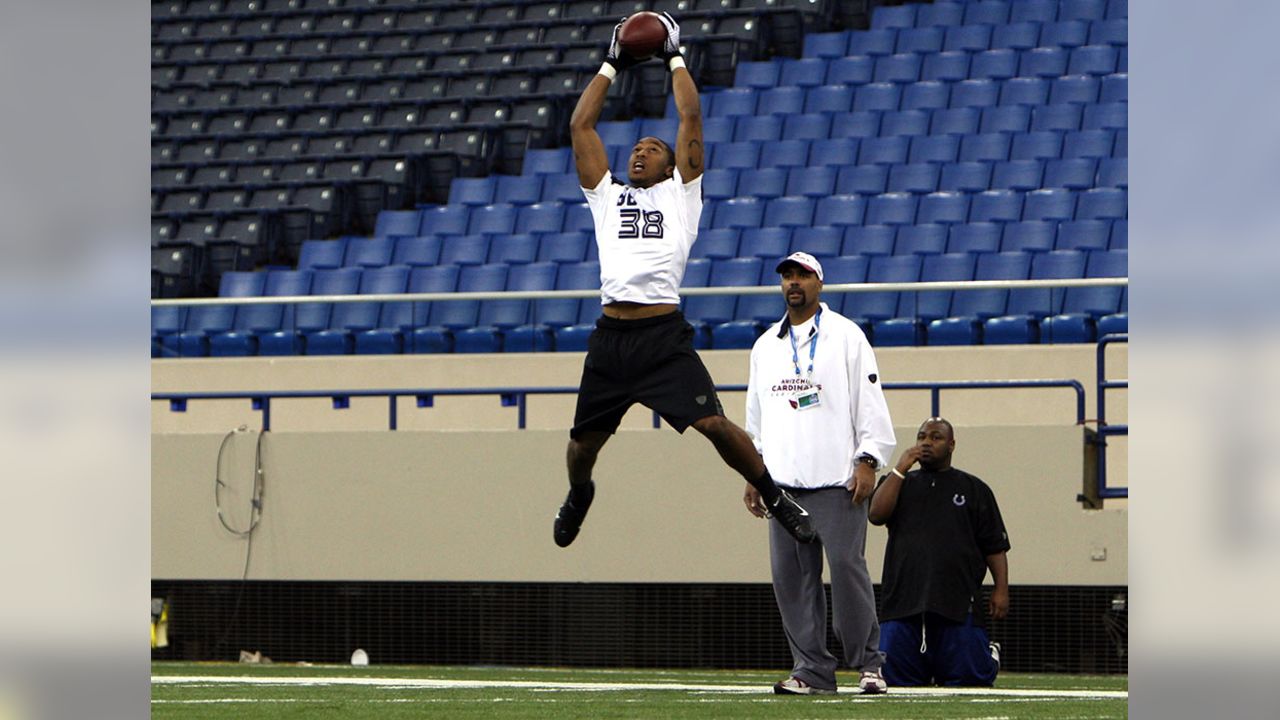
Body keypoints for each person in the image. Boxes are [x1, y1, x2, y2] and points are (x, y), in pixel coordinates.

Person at [553, 14, 816, 549]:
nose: (639, 151)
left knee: (715, 426)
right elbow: (581, 127)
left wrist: (673, 53)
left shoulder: (682, 197)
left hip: (662, 337)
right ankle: (580, 493)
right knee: (582, 448)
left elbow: (690, 112)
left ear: (675, 164)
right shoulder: (608, 196)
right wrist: (612, 61)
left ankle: (773, 494)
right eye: (636, 149)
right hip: (611, 339)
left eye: (652, 147)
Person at [743, 252, 897, 695]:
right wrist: (754, 471)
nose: (794, 283)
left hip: (838, 480)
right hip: (783, 485)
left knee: (848, 571)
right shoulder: (765, 346)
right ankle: (811, 669)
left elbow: (869, 403)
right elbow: (756, 419)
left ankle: (869, 665)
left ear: (819, 283)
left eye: (803, 276)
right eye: (788, 276)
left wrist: (868, 460)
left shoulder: (847, 337)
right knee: (792, 582)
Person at [868, 417, 1011, 687]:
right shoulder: (899, 483)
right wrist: (900, 467)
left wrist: (1001, 589)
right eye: (922, 436)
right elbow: (875, 514)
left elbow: (995, 546)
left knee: (970, 678)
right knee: (894, 678)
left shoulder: (974, 489)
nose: (926, 443)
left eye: (936, 437)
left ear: (951, 445)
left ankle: (988, 655)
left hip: (956, 599)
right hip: (903, 599)